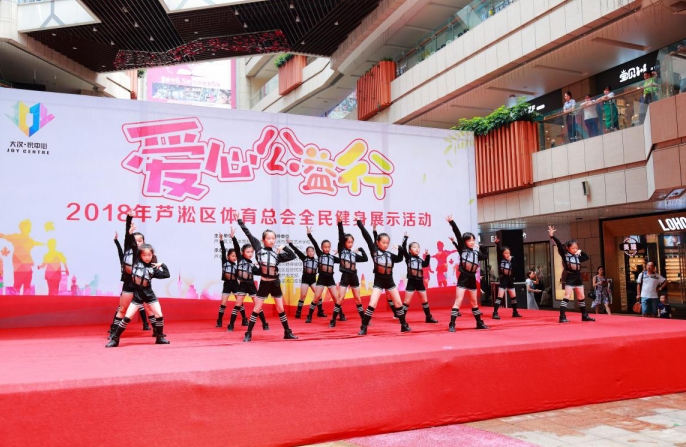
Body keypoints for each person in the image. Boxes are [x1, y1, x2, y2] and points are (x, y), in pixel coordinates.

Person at [237, 213, 298, 342]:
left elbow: (293, 256)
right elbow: (248, 234)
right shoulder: (259, 250)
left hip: (275, 283)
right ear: (263, 240)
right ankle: (248, 333)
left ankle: (287, 332)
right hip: (264, 283)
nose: (271, 240)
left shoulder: (277, 255)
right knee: (257, 308)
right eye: (269, 238)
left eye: (273, 238)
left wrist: (284, 247)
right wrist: (240, 221)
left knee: (280, 308)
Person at [107, 236, 171, 347]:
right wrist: (128, 232)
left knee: (159, 315)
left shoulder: (153, 268)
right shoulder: (135, 262)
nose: (147, 257)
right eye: (144, 255)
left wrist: (162, 265)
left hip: (149, 295)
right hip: (137, 296)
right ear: (140, 255)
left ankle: (159, 337)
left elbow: (166, 275)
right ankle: (115, 339)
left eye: (149, 255)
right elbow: (132, 245)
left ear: (152, 255)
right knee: (127, 317)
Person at [356, 218, 411, 335]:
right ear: (377, 242)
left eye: (387, 243)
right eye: (383, 242)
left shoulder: (390, 255)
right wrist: (360, 223)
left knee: (398, 304)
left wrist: (401, 248)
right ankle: (364, 326)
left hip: (390, 281)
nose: (385, 245)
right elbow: (367, 237)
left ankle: (404, 325)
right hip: (379, 282)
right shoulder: (374, 251)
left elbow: (400, 258)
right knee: (372, 303)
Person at [111, 212, 153, 336]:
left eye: (140, 241)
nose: (138, 242)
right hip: (129, 283)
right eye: (136, 240)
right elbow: (127, 241)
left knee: (148, 307)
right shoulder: (128, 250)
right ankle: (113, 332)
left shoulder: (145, 254)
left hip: (141, 284)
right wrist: (129, 219)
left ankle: (156, 331)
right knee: (122, 308)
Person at [447, 216, 489, 331]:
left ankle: (479, 323)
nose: (472, 242)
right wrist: (452, 222)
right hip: (463, 278)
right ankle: (452, 324)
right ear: (465, 242)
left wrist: (480, 248)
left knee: (474, 302)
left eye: (473, 240)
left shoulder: (476, 252)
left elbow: (485, 257)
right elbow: (457, 234)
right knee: (458, 301)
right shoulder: (462, 248)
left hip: (472, 279)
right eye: (469, 240)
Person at [548, 225, 594, 323]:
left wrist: (581, 251)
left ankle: (584, 316)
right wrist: (552, 236)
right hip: (570, 276)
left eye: (576, 247)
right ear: (567, 248)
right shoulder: (564, 254)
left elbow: (586, 258)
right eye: (573, 248)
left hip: (578, 277)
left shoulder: (577, 256)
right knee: (567, 296)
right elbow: (559, 244)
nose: (575, 249)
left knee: (581, 297)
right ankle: (562, 317)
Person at [227, 230, 268, 332]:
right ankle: (231, 325)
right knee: (238, 305)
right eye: (248, 252)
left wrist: (261, 265)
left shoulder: (252, 264)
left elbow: (259, 272)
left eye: (251, 252)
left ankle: (264, 324)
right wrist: (233, 238)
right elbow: (236, 247)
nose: (250, 254)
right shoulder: (240, 259)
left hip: (251, 285)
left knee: (257, 305)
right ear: (242, 252)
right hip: (242, 286)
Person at [303, 227, 344, 326]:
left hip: (330, 279)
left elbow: (342, 260)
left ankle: (341, 314)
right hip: (321, 279)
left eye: (328, 247)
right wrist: (309, 235)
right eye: (325, 247)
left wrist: (340, 253)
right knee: (316, 298)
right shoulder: (320, 254)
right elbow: (315, 244)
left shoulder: (332, 257)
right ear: (321, 248)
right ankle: (309, 316)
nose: (326, 248)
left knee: (336, 298)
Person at [336, 213, 368, 321]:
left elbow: (365, 259)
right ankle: (333, 320)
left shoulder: (354, 254)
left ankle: (364, 320)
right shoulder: (341, 250)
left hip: (354, 276)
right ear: (344, 243)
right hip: (345, 276)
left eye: (352, 242)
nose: (350, 244)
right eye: (348, 242)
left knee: (358, 299)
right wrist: (340, 223)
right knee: (340, 298)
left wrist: (360, 249)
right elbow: (341, 236)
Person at [398, 234, 437, 323]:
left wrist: (428, 256)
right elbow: (403, 248)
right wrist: (405, 238)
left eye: (418, 247)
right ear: (409, 250)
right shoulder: (408, 257)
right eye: (414, 247)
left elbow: (426, 264)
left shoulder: (420, 260)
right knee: (407, 302)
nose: (417, 249)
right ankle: (402, 319)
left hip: (420, 282)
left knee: (424, 301)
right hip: (411, 282)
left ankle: (428, 317)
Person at [0, 219, 43, 295]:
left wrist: (45, 244)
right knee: (17, 286)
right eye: (26, 227)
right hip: (19, 267)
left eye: (29, 227)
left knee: (27, 286)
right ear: (21, 228)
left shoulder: (30, 240)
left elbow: (37, 243)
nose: (28, 229)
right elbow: (4, 236)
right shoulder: (16, 237)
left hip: (27, 266)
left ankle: (26, 301)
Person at [289, 241, 320, 319]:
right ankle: (298, 312)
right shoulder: (304, 258)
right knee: (302, 296)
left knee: (318, 295)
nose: (310, 252)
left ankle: (320, 311)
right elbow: (297, 251)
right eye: (309, 251)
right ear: (306, 253)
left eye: (312, 251)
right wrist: (290, 244)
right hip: (305, 280)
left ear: (314, 252)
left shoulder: (317, 261)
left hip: (313, 281)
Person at [492, 236, 521, 319]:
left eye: (509, 253)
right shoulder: (500, 259)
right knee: (500, 296)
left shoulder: (512, 260)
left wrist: (510, 260)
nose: (508, 254)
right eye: (506, 253)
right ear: (502, 254)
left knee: (513, 297)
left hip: (510, 279)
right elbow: (498, 251)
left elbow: (516, 265)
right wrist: (497, 243)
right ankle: (495, 313)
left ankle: (515, 312)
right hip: (503, 279)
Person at [215, 230, 239, 327]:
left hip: (235, 284)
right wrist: (221, 241)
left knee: (239, 302)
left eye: (236, 256)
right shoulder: (225, 262)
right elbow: (223, 251)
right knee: (223, 303)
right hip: (227, 284)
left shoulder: (237, 265)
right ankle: (219, 320)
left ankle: (244, 319)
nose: (234, 257)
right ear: (228, 256)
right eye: (232, 256)